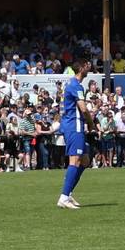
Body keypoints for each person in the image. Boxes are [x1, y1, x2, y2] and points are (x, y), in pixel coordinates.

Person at [56, 63, 89, 210]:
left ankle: (67, 193)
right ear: (81, 68)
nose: (89, 67)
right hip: (74, 126)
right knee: (75, 161)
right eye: (87, 65)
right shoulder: (76, 85)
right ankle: (64, 197)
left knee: (85, 160)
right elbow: (83, 109)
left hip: (71, 125)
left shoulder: (70, 83)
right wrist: (92, 124)